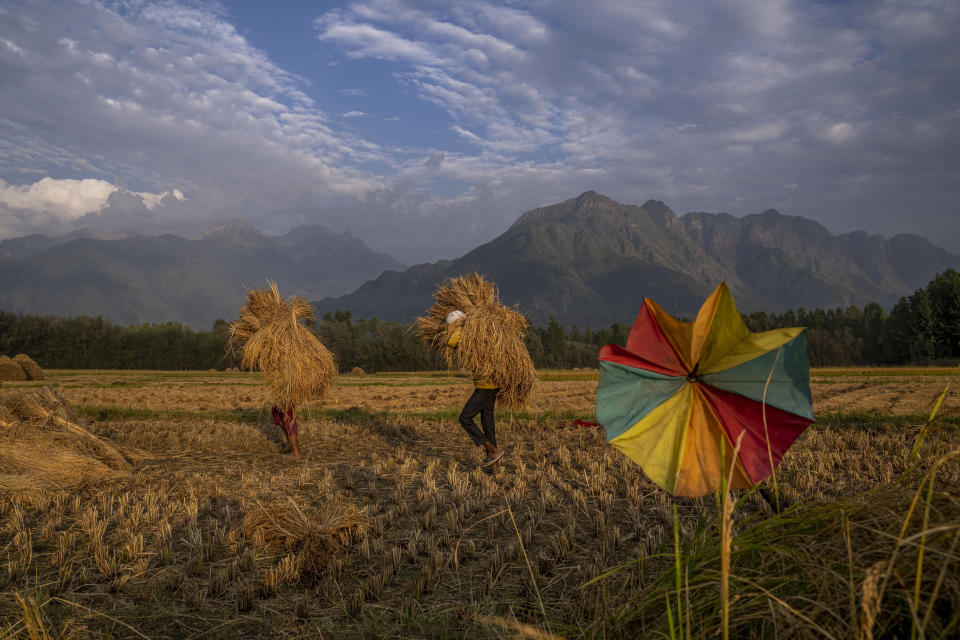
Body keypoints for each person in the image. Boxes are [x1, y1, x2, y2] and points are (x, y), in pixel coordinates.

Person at [446, 310, 503, 468]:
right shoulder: (479, 331)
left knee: (465, 418)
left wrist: (459, 326)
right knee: (487, 422)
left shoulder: (467, 332)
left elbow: (451, 341)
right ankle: (494, 463)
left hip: (485, 385)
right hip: (493, 383)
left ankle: (492, 451)